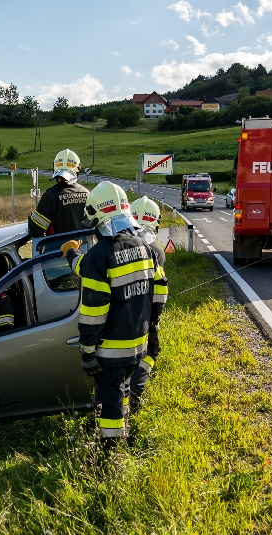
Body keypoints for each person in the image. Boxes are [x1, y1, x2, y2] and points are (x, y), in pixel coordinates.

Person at [61, 181, 164, 447]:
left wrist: (87, 350)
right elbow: (159, 289)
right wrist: (152, 324)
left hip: (111, 349)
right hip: (137, 343)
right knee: (122, 391)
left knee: (110, 401)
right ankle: (122, 433)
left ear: (97, 218)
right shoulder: (144, 247)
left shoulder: (100, 255)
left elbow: (93, 312)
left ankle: (111, 451)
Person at [127, 196, 169, 407]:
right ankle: (134, 391)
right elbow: (159, 288)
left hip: (121, 310)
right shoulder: (157, 251)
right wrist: (155, 318)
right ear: (156, 221)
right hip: (144, 313)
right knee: (151, 350)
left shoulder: (121, 245)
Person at [28, 149, 91, 237]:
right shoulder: (87, 194)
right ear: (78, 169)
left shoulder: (50, 197)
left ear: (55, 168)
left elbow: (35, 230)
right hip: (86, 245)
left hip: (59, 245)